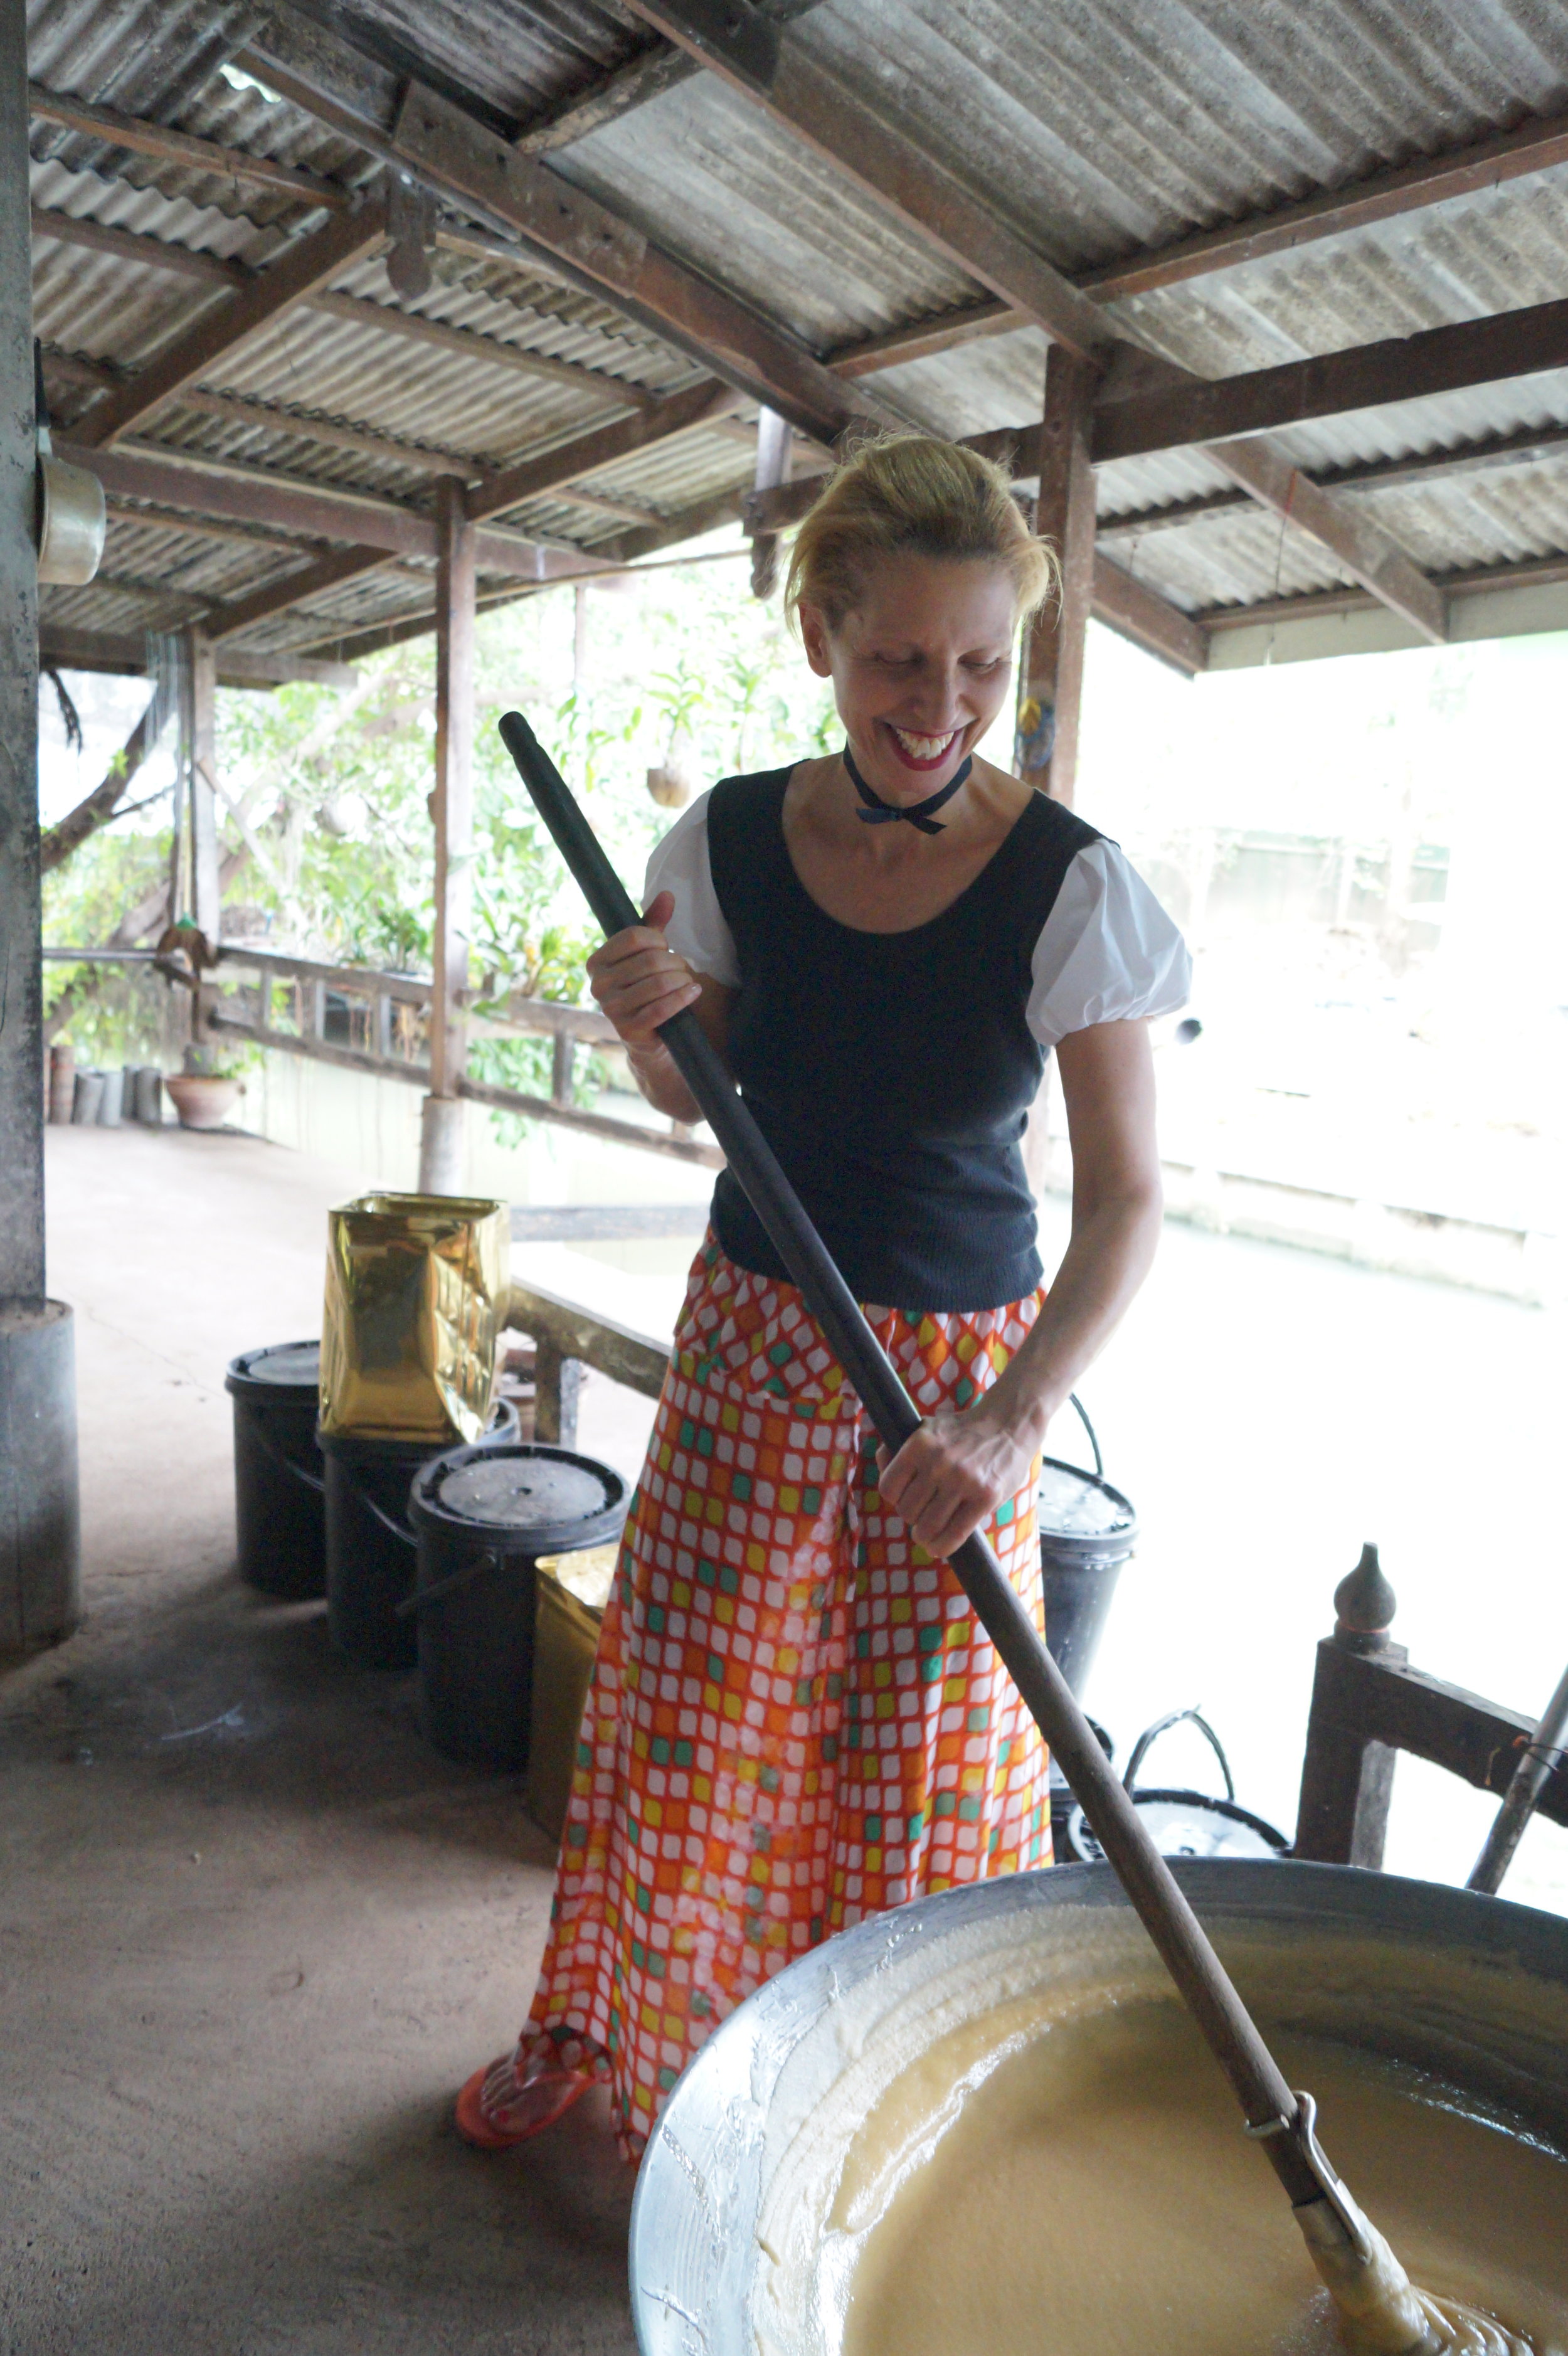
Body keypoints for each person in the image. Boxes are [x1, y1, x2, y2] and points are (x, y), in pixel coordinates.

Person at [457, 434, 1190, 2163]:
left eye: (979, 665)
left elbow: (1131, 1198)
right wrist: (654, 1030)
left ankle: (864, 2127)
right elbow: (690, 1095)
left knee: (921, 1776)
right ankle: (620, 2044)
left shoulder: (1070, 886)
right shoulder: (719, 841)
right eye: (895, 660)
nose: (938, 704)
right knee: (689, 1731)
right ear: (819, 643)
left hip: (956, 1388)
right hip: (755, 1343)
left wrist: (1014, 1421)